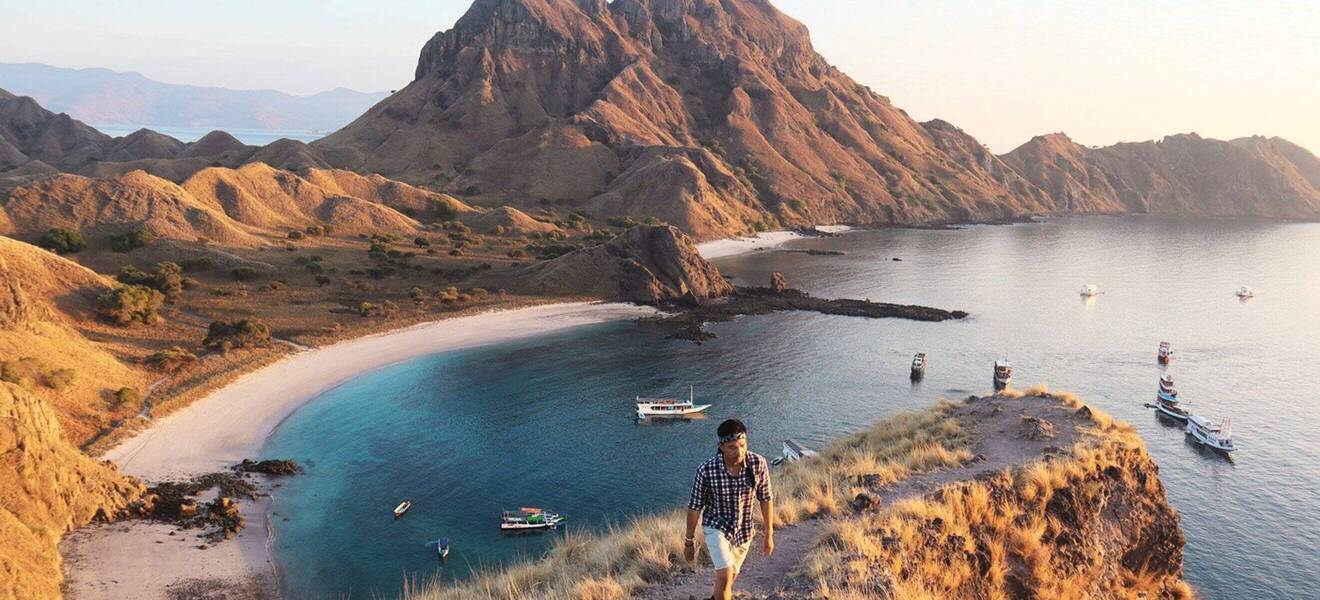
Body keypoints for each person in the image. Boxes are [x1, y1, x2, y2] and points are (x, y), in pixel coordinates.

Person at [684, 418, 774, 600]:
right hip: (715, 526)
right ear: (721, 446)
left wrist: (769, 533)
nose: (739, 452)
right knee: (725, 575)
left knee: (729, 578)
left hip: (744, 531)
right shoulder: (706, 470)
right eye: (732, 447)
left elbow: (766, 498)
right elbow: (694, 507)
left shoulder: (758, 464)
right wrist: (689, 541)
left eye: (742, 445)